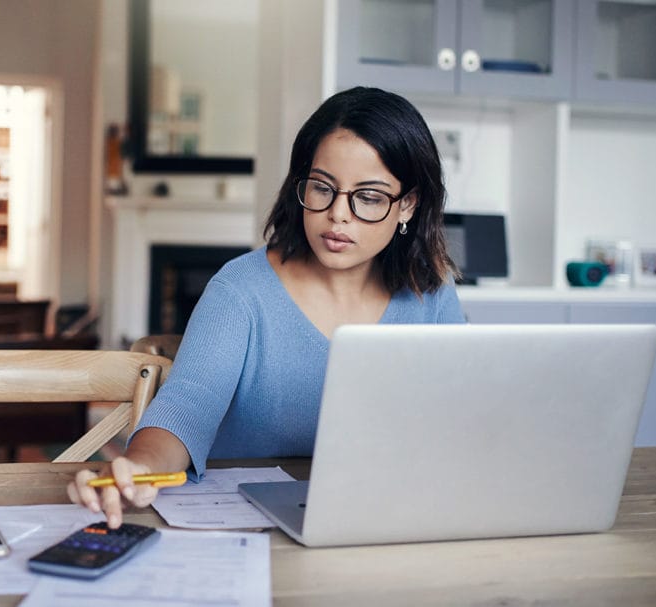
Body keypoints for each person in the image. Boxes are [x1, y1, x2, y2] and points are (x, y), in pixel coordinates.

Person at [68, 86, 465, 528]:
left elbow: (460, 421)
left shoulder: (431, 292)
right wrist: (140, 467)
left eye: (369, 197)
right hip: (247, 528)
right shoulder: (240, 290)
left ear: (407, 204)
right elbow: (186, 408)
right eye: (322, 188)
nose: (338, 214)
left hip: (382, 521)